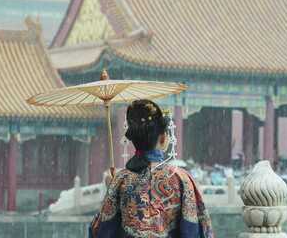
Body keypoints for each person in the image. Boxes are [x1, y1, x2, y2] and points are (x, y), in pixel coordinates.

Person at [89, 100, 214, 238]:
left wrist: (112, 189)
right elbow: (195, 230)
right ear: (162, 138)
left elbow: (100, 231)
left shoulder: (121, 180)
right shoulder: (181, 179)